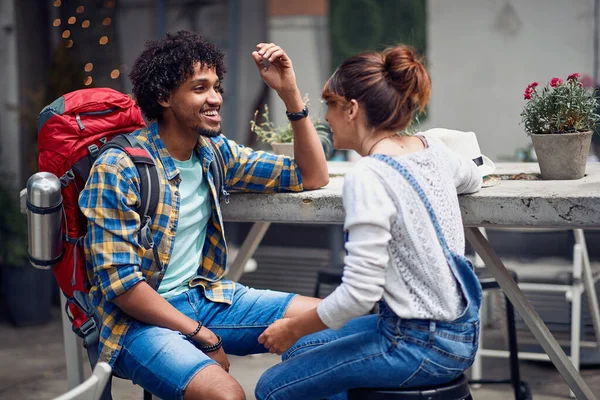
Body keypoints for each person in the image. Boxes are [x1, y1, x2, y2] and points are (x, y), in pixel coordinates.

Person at [78, 30, 329, 400]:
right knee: (226, 395)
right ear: (164, 97)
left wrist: (289, 93)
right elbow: (122, 286)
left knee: (329, 320)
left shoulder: (213, 152)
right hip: (136, 322)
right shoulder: (119, 167)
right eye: (200, 88)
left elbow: (311, 176)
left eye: (216, 86)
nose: (215, 98)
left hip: (203, 297)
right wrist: (201, 334)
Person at [255, 45, 483, 400]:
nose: (326, 118)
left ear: (352, 109)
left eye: (330, 105)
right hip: (460, 333)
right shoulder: (434, 150)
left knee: (271, 388)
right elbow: (475, 175)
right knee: (302, 350)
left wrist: (291, 327)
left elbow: (359, 294)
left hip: (416, 345)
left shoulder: (369, 176)